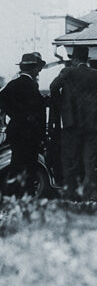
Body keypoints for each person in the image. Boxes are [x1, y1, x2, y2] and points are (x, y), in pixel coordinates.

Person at [50, 45, 97, 199]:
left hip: (71, 123)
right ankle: (88, 194)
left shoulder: (67, 72)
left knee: (71, 160)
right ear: (87, 59)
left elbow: (53, 87)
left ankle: (71, 194)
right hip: (94, 123)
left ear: (74, 59)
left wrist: (61, 105)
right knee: (90, 160)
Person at [0, 52, 47, 196]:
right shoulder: (31, 86)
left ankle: (12, 195)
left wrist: (15, 115)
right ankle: (26, 196)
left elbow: (2, 100)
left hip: (15, 131)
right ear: (33, 68)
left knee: (16, 164)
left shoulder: (12, 84)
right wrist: (27, 117)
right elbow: (37, 111)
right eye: (38, 68)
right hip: (29, 133)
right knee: (30, 166)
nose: (38, 71)